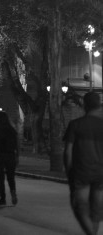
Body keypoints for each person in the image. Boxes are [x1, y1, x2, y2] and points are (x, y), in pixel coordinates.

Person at [65, 91, 103, 234]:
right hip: (100, 172)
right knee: (95, 209)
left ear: (84, 106)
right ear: (98, 106)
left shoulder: (75, 125)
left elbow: (67, 151)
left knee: (79, 205)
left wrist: (69, 172)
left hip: (82, 171)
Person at [0, 110, 19, 206]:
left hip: (0, 155)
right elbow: (17, 145)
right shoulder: (13, 130)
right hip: (11, 155)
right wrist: (17, 156)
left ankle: (2, 198)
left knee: (1, 178)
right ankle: (13, 192)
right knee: (11, 177)